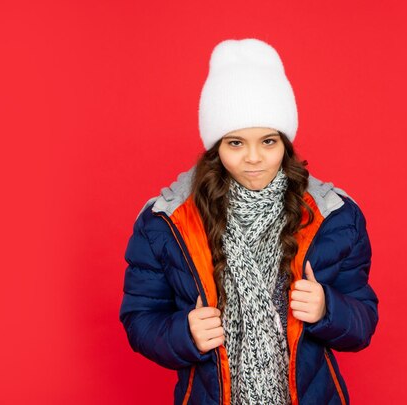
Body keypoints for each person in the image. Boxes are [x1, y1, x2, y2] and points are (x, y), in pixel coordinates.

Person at [119, 38, 379, 405]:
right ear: (216, 146)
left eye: (268, 141)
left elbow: (363, 320)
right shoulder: (166, 222)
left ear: (286, 143)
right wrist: (184, 333)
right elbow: (140, 319)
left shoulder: (334, 217)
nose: (253, 158)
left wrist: (327, 309)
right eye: (236, 143)